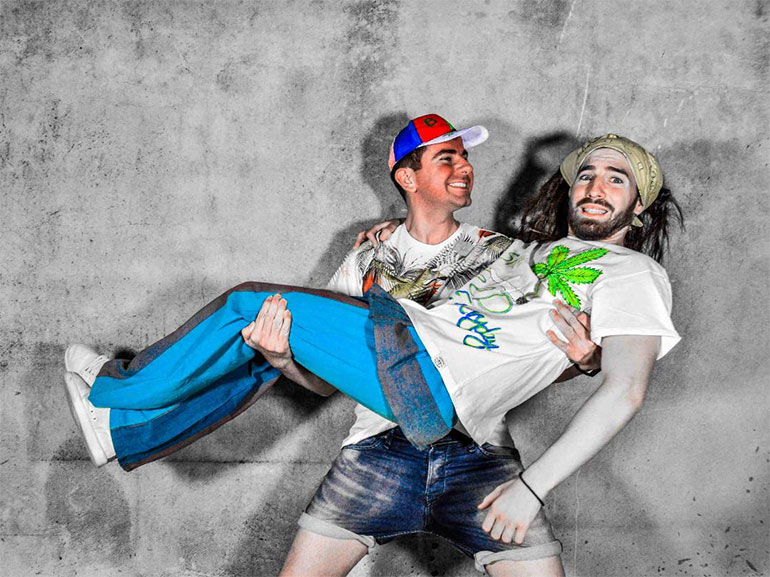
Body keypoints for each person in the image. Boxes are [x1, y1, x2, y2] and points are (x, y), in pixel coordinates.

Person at [64, 122, 682, 575]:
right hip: (399, 389)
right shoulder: (527, 252)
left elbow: (625, 387)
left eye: (617, 179)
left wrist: (543, 467)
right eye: (587, 174)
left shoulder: (629, 271)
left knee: (248, 301)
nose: (595, 186)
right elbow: (525, 340)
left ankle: (115, 399)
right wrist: (282, 356)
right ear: (406, 179)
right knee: (258, 340)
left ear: (640, 203)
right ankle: (125, 431)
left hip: (438, 391)